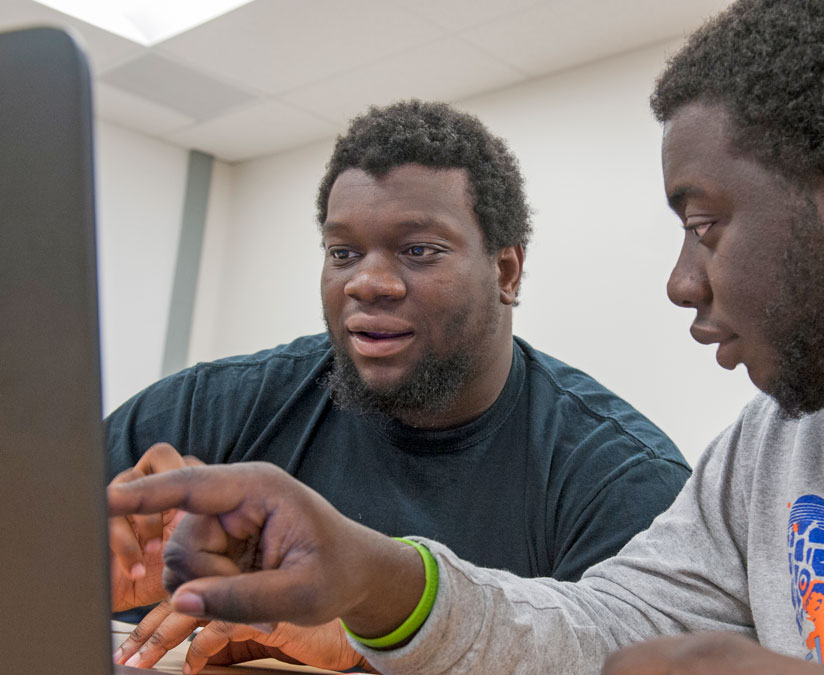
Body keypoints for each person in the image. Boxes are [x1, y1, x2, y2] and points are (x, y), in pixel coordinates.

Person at [108, 0, 824, 673]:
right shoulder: (772, 452)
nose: (683, 283)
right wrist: (377, 577)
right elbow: (600, 636)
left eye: (706, 224)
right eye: (343, 253)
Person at [105, 100, 690, 671]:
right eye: (343, 252)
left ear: (505, 271)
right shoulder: (216, 409)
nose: (369, 282)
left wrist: (368, 642)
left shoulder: (620, 479)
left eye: (418, 250)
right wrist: (78, 566)